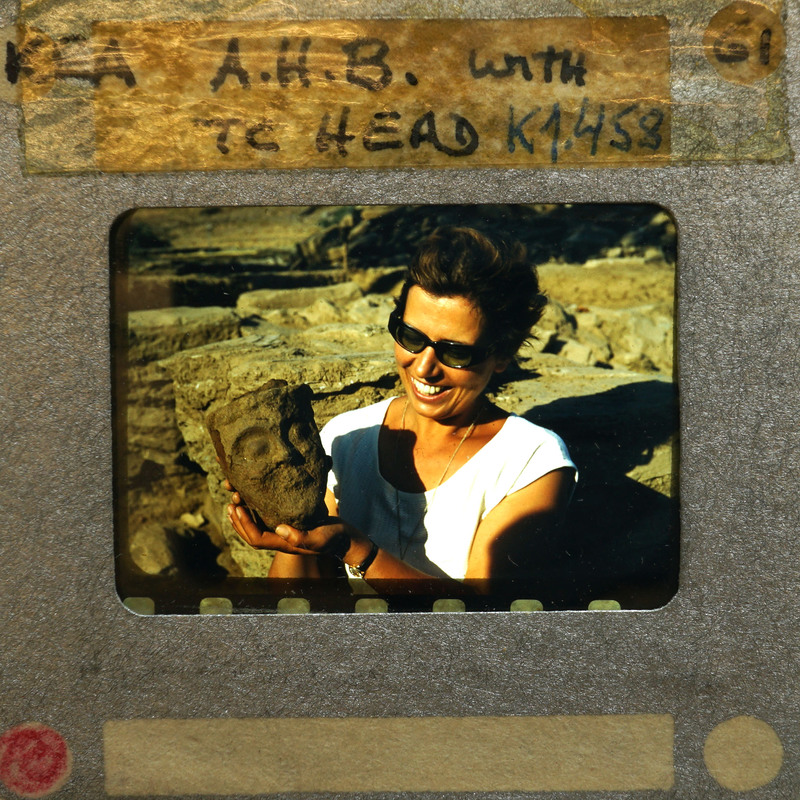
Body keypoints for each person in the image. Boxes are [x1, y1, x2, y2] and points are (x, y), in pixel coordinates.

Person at [227, 226, 577, 590]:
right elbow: (296, 601)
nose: (424, 367)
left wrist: (357, 550)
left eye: (455, 352)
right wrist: (289, 523)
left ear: (502, 354)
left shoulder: (530, 462)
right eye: (411, 337)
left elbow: (483, 616)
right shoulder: (346, 438)